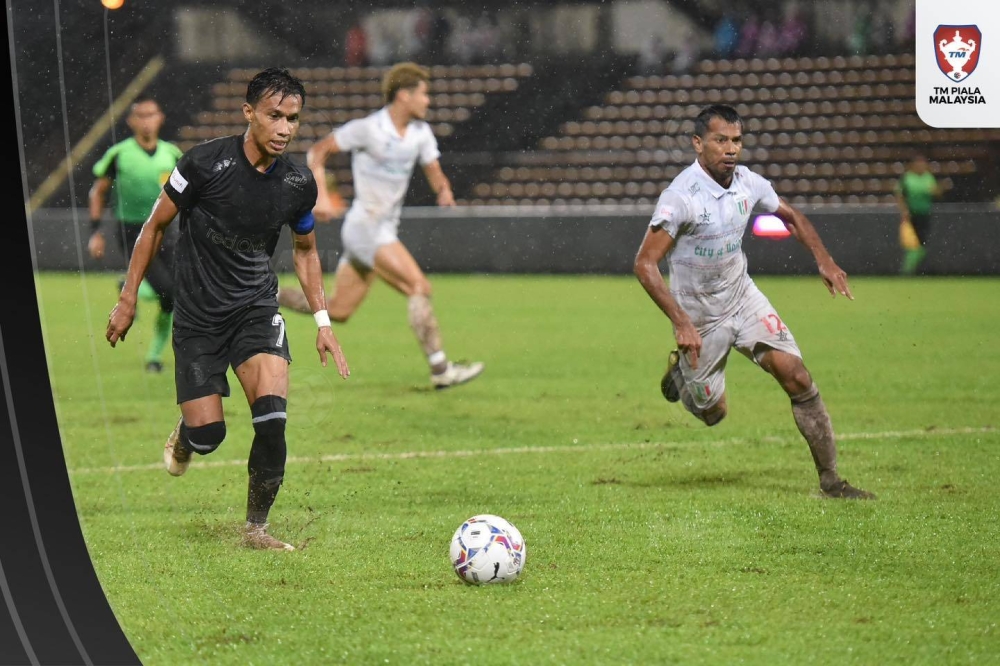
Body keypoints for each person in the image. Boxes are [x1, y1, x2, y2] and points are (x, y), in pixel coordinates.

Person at [106, 68, 350, 551]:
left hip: (256, 308)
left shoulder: (299, 182)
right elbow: (153, 228)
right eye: (274, 116)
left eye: (294, 119)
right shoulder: (201, 164)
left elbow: (305, 250)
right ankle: (187, 435)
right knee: (208, 436)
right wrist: (129, 297)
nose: (284, 128)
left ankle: (255, 528)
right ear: (249, 113)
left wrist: (322, 321)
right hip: (197, 318)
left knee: (273, 420)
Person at [633, 104, 875, 500]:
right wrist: (680, 321)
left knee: (796, 375)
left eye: (737, 140)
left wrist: (825, 260)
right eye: (720, 140)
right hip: (699, 318)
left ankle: (831, 481)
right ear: (698, 143)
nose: (731, 149)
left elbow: (792, 216)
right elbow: (644, 263)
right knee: (714, 415)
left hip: (743, 297)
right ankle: (682, 375)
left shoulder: (748, 183)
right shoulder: (680, 197)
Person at [277, 62, 484, 390]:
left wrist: (443, 189)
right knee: (419, 287)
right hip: (367, 227)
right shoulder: (368, 129)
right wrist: (322, 195)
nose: (428, 101)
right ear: (404, 96)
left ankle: (268, 293)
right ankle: (441, 368)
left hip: (380, 230)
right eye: (423, 94)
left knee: (339, 310)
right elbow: (318, 152)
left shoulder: (420, 133)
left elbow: (433, 168)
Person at [88, 94, 182, 373]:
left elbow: (186, 192)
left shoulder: (172, 154)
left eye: (151, 115)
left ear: (160, 118)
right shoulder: (119, 154)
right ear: (131, 121)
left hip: (169, 229)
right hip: (134, 232)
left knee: (175, 293)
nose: (146, 121)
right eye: (140, 115)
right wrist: (96, 232)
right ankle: (154, 355)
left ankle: (132, 288)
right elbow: (98, 192)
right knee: (169, 291)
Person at [895, 153, 943, 276]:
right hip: (911, 215)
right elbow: (900, 195)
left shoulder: (928, 177)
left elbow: (937, 193)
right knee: (913, 243)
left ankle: (911, 270)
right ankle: (907, 271)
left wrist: (937, 190)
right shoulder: (907, 178)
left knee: (921, 244)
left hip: (925, 215)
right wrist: (904, 211)